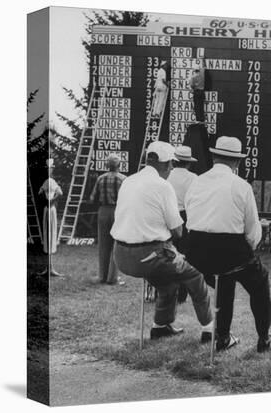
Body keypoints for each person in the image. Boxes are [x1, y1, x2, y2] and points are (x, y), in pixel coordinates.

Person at [111, 141, 214, 341]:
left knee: (167, 284)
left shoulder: (129, 181)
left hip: (121, 255)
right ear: (167, 165)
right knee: (195, 276)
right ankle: (210, 328)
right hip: (151, 255)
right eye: (171, 166)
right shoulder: (163, 185)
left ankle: (160, 326)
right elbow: (177, 230)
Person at [185, 136, 271, 353]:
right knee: (259, 282)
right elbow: (253, 231)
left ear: (215, 157)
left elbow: (191, 215)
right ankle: (264, 338)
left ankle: (223, 337)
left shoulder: (196, 182)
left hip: (196, 251)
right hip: (230, 251)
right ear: (236, 162)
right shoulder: (241, 186)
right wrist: (247, 251)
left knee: (224, 281)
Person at [89, 154, 126, 285]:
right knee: (116, 244)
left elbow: (92, 198)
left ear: (107, 165)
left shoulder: (100, 178)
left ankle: (102, 276)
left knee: (104, 245)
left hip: (103, 210)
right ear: (119, 165)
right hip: (118, 211)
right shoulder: (123, 179)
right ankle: (113, 277)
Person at [167, 145, 198, 302]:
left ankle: (167, 290)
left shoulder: (167, 176)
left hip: (169, 215)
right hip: (186, 216)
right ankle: (182, 294)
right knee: (185, 255)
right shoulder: (193, 178)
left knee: (167, 253)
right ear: (188, 162)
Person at [38, 158, 65, 277]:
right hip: (48, 209)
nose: (49, 171)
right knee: (48, 233)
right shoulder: (48, 181)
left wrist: (51, 201)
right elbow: (40, 194)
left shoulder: (51, 181)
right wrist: (48, 201)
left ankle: (50, 268)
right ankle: (48, 268)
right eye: (48, 169)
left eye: (51, 169)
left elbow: (60, 193)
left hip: (50, 209)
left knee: (51, 233)